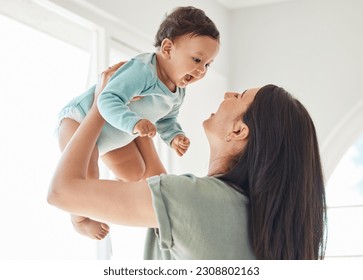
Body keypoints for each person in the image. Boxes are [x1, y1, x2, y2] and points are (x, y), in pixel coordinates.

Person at [48, 64, 327, 260]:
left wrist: (100, 103)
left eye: (240, 97)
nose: (229, 94)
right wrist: (139, 114)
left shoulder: (197, 199)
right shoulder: (248, 213)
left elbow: (62, 192)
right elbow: (153, 181)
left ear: (239, 131)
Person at [56, 6, 220, 240]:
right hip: (80, 120)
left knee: (136, 172)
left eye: (207, 64)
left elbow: (167, 118)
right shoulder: (143, 71)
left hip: (115, 133)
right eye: (196, 59)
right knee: (87, 178)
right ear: (167, 48)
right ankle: (79, 220)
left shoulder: (178, 91)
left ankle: (115, 190)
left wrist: (174, 136)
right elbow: (107, 98)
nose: (201, 70)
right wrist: (134, 124)